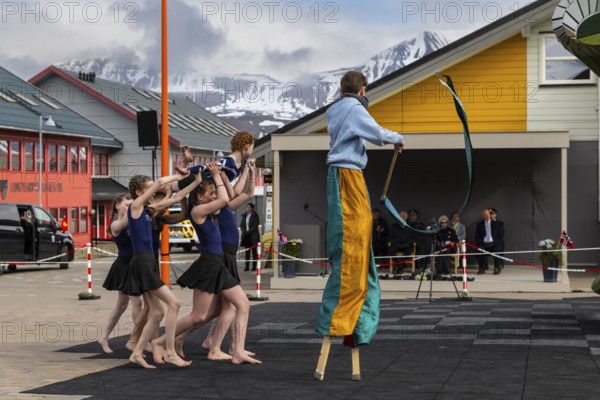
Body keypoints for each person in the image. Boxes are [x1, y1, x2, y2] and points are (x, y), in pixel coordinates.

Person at [315, 70, 404, 349]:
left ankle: (353, 323)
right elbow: (376, 131)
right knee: (353, 243)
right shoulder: (352, 109)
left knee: (356, 242)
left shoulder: (338, 109)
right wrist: (397, 137)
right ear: (362, 89)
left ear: (342, 89)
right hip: (347, 175)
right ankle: (343, 320)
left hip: (345, 175)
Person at [152, 162, 260, 364]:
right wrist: (216, 176)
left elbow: (230, 196)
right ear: (200, 197)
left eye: (213, 193)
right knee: (199, 316)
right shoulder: (198, 212)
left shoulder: (208, 211)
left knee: (242, 304)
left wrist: (222, 175)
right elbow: (225, 198)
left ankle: (238, 352)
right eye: (210, 193)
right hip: (209, 264)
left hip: (218, 264)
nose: (213, 196)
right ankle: (159, 341)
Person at [122, 171, 201, 368]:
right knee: (174, 304)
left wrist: (195, 181)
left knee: (157, 312)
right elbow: (160, 182)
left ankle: (137, 352)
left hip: (147, 263)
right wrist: (181, 175)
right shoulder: (136, 206)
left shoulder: (149, 210)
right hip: (142, 263)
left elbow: (178, 197)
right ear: (139, 191)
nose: (155, 189)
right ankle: (171, 352)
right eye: (150, 187)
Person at [201, 161, 256, 357]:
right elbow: (233, 193)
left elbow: (248, 193)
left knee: (222, 308)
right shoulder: (220, 207)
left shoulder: (228, 207)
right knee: (223, 307)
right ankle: (205, 343)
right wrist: (222, 176)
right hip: (223, 255)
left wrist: (250, 172)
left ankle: (227, 345)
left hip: (229, 255)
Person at [98, 193, 144, 354]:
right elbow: (127, 220)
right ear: (117, 205)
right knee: (137, 303)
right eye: (127, 204)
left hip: (134, 265)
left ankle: (103, 337)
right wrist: (136, 206)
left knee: (121, 305)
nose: (130, 207)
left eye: (132, 204)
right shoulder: (116, 224)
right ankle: (138, 339)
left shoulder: (131, 222)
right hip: (124, 266)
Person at [173, 131, 255, 189]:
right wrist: (189, 170)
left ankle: (185, 161)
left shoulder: (240, 162)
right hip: (195, 181)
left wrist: (251, 162)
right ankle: (185, 162)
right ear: (246, 147)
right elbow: (206, 166)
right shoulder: (229, 162)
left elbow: (250, 161)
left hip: (205, 187)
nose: (252, 150)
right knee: (170, 187)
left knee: (172, 187)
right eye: (252, 148)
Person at [475, 208, 504, 275]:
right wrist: (483, 243)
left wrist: (494, 242)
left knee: (497, 249)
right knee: (478, 250)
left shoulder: (497, 224)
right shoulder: (480, 224)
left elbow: (501, 236)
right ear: (482, 216)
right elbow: (477, 237)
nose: (487, 216)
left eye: (488, 214)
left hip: (494, 243)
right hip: (483, 244)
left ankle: (497, 267)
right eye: (485, 215)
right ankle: (481, 267)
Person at [240, 203, 260, 271]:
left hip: (253, 235)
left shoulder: (255, 215)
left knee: (254, 251)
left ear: (252, 208)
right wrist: (244, 231)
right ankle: (247, 266)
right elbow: (242, 225)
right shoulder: (244, 215)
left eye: (249, 207)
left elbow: (255, 225)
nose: (248, 208)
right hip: (246, 236)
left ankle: (254, 266)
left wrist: (248, 232)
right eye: (247, 207)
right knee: (247, 251)